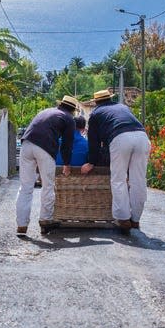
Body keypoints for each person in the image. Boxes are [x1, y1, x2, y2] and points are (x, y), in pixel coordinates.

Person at [81, 89, 150, 234]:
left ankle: (123, 218)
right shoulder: (123, 107)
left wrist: (91, 162)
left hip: (120, 138)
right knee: (138, 180)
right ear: (110, 99)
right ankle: (135, 219)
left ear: (96, 103)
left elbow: (93, 141)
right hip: (142, 136)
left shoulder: (95, 114)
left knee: (118, 179)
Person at [15, 95, 80, 235]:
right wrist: (67, 164)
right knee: (48, 186)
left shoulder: (45, 111)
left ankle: (21, 225)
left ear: (60, 104)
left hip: (26, 144)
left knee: (25, 187)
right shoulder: (68, 118)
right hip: (45, 148)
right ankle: (45, 220)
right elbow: (67, 145)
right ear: (73, 110)